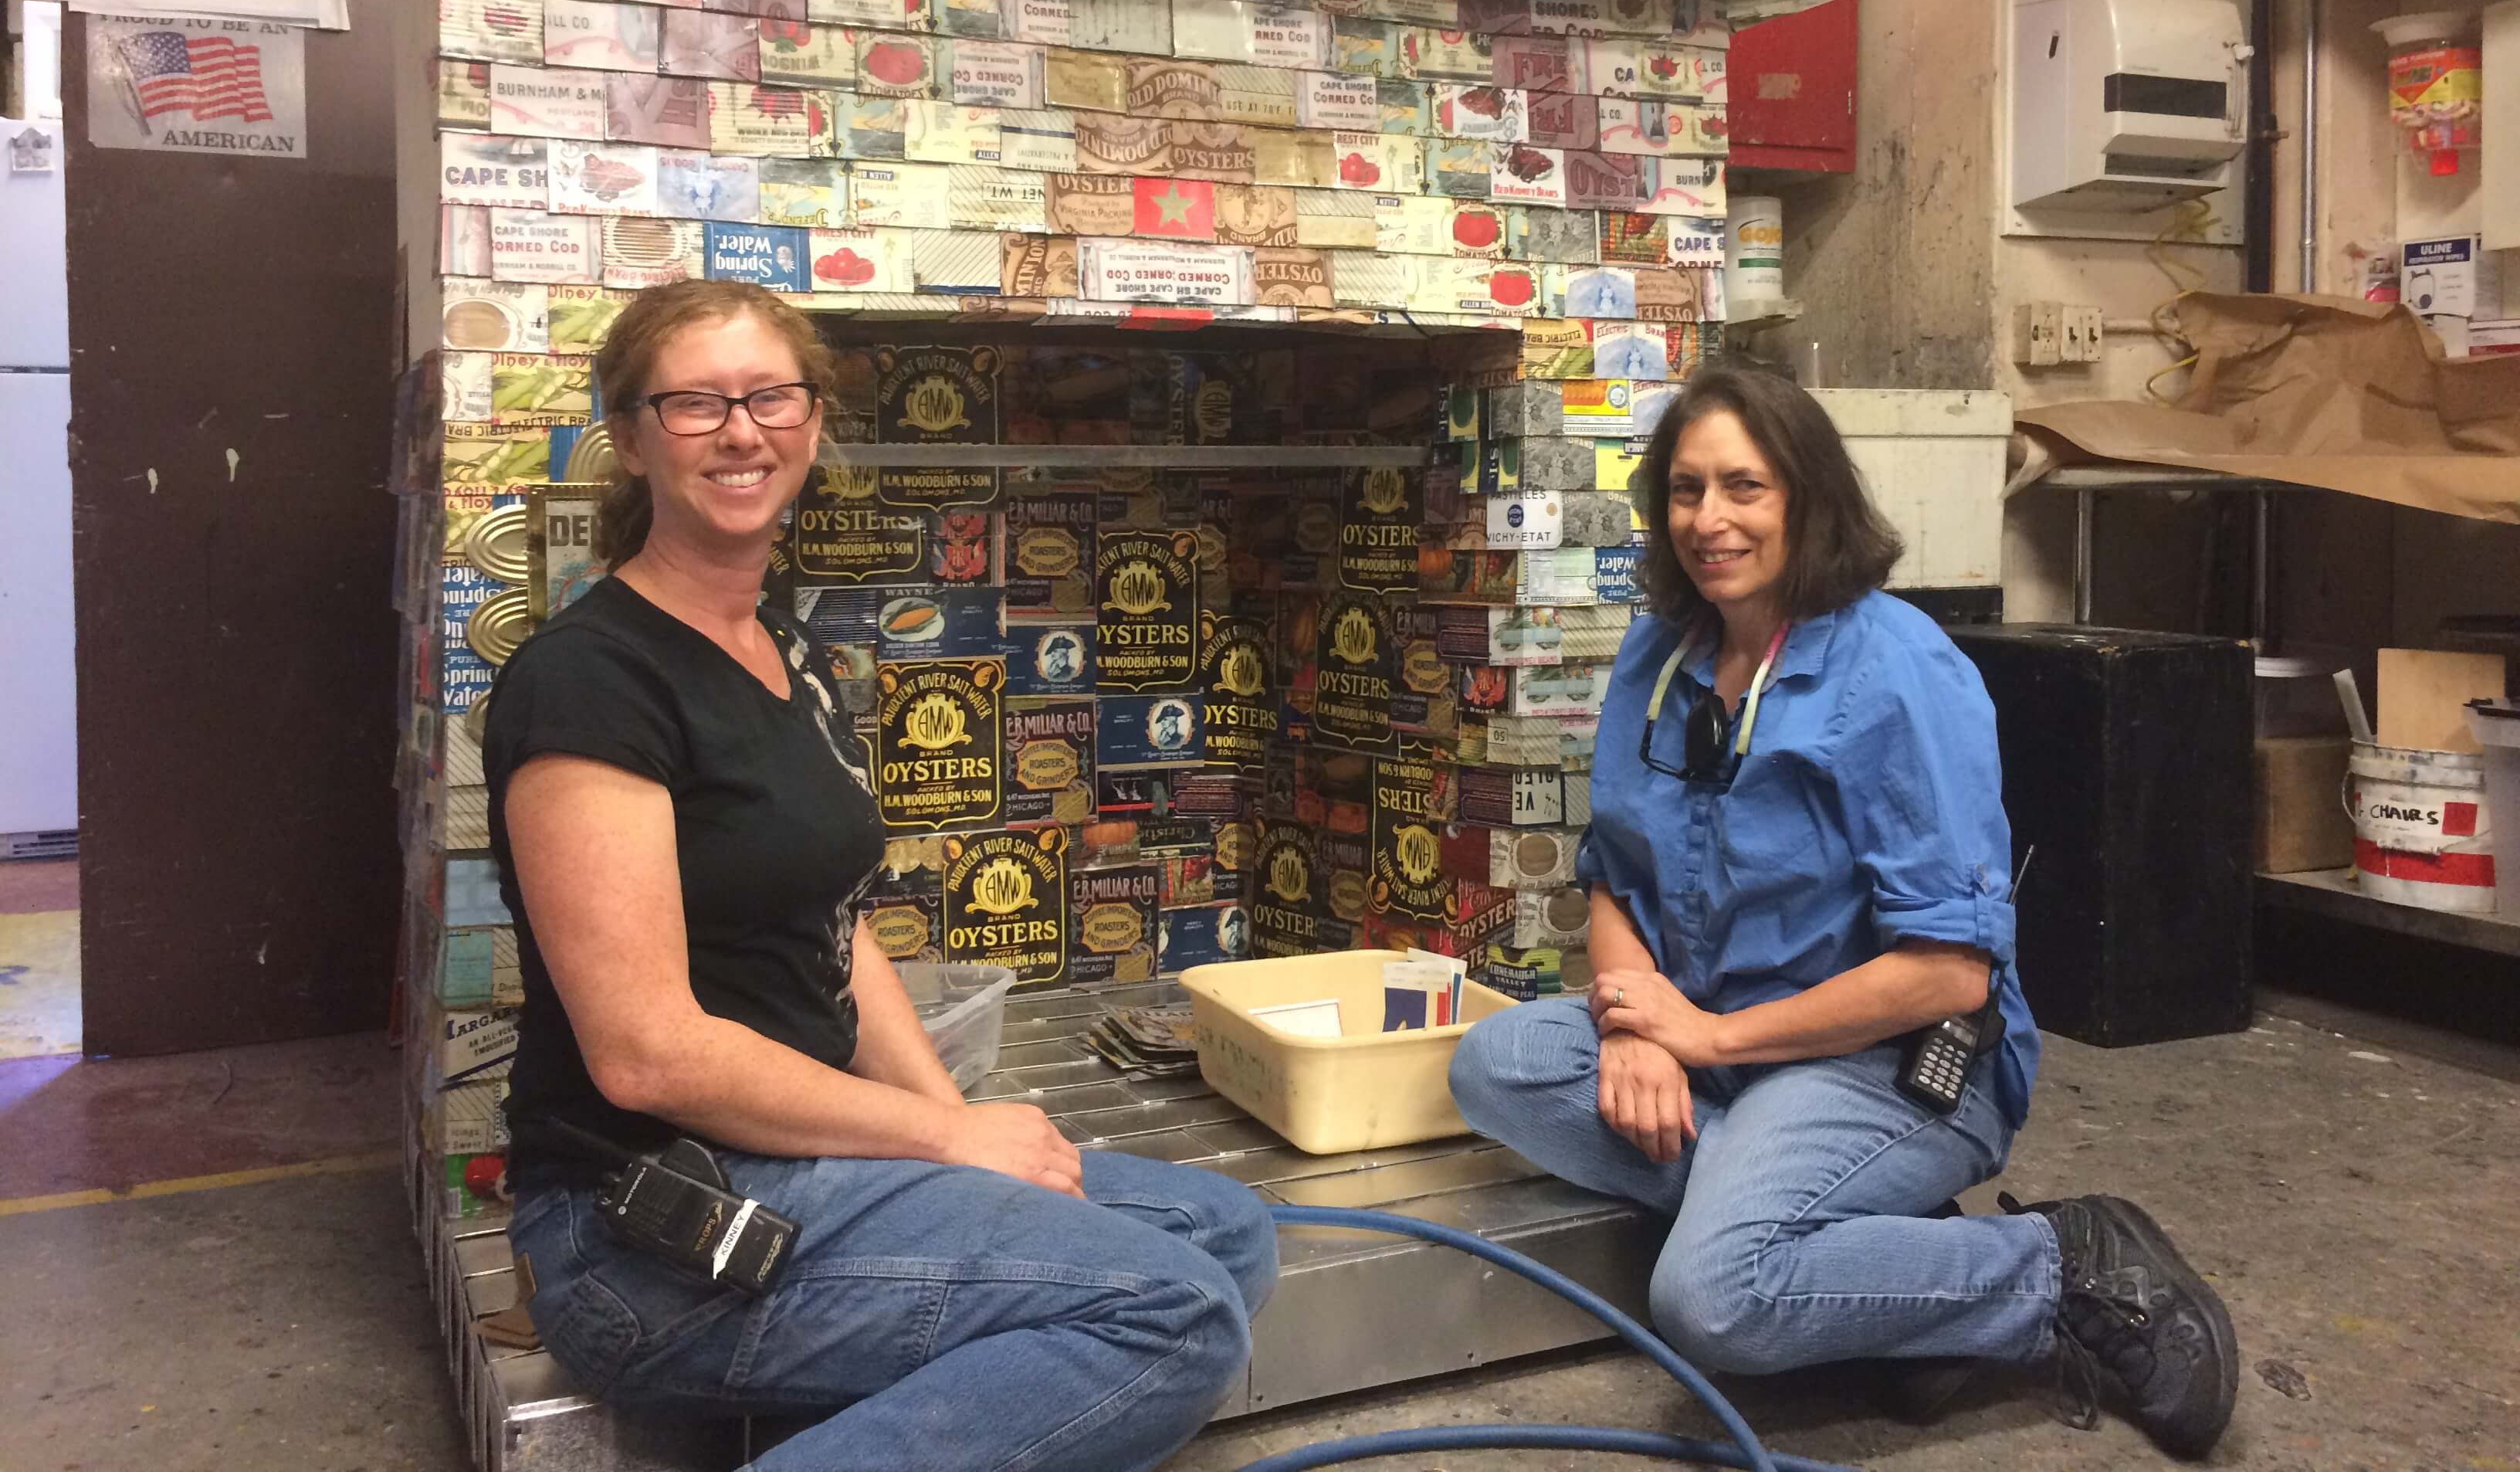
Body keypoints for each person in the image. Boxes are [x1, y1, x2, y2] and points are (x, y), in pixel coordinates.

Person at [485, 281, 1275, 1472]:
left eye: (770, 397)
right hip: (641, 1226)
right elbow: (645, 1052)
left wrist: (958, 1134)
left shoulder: (780, 645)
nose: (741, 431)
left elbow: (835, 931)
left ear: (811, 420)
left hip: (798, 1161)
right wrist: (945, 1148)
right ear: (633, 435)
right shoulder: (589, 681)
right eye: (696, 404)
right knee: (1173, 1310)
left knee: (1227, 1226)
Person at [1448, 366, 2238, 1460]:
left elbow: (1948, 975)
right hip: (1709, 1038)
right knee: (1493, 1067)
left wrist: (1706, 1038)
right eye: (1685, 490)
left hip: (1882, 1062)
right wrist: (1637, 1025)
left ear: (1808, 498)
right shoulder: (1660, 652)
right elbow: (1611, 878)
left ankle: (2057, 1270)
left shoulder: (1897, 669)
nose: (1708, 521)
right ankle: (1863, 1243)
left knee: (1716, 1294)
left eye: (1744, 487)